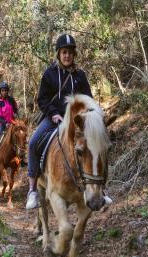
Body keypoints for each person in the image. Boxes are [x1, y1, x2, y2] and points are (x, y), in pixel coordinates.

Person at [26, 33, 94, 209]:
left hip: (77, 121)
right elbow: (42, 99)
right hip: (54, 118)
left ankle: (100, 188)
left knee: (95, 143)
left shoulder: (80, 76)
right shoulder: (49, 74)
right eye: (64, 52)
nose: (67, 55)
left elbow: (88, 98)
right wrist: (53, 113)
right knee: (33, 143)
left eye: (70, 52)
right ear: (58, 54)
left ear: (74, 54)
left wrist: (90, 114)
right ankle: (32, 190)